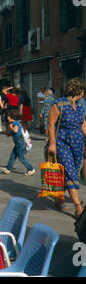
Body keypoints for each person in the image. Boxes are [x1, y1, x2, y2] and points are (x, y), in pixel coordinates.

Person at [48, 77, 86, 219]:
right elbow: (50, 124)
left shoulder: (80, 106)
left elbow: (83, 125)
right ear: (79, 91)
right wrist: (52, 144)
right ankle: (78, 207)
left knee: (73, 172)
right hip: (62, 142)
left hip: (77, 143)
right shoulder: (58, 104)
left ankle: (58, 196)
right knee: (70, 172)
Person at [0, 109, 35, 176]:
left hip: (19, 142)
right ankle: (8, 169)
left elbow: (15, 130)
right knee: (13, 156)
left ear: (12, 116)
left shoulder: (15, 123)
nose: (7, 118)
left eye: (8, 116)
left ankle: (31, 169)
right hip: (18, 143)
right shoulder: (15, 123)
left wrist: (11, 127)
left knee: (21, 158)